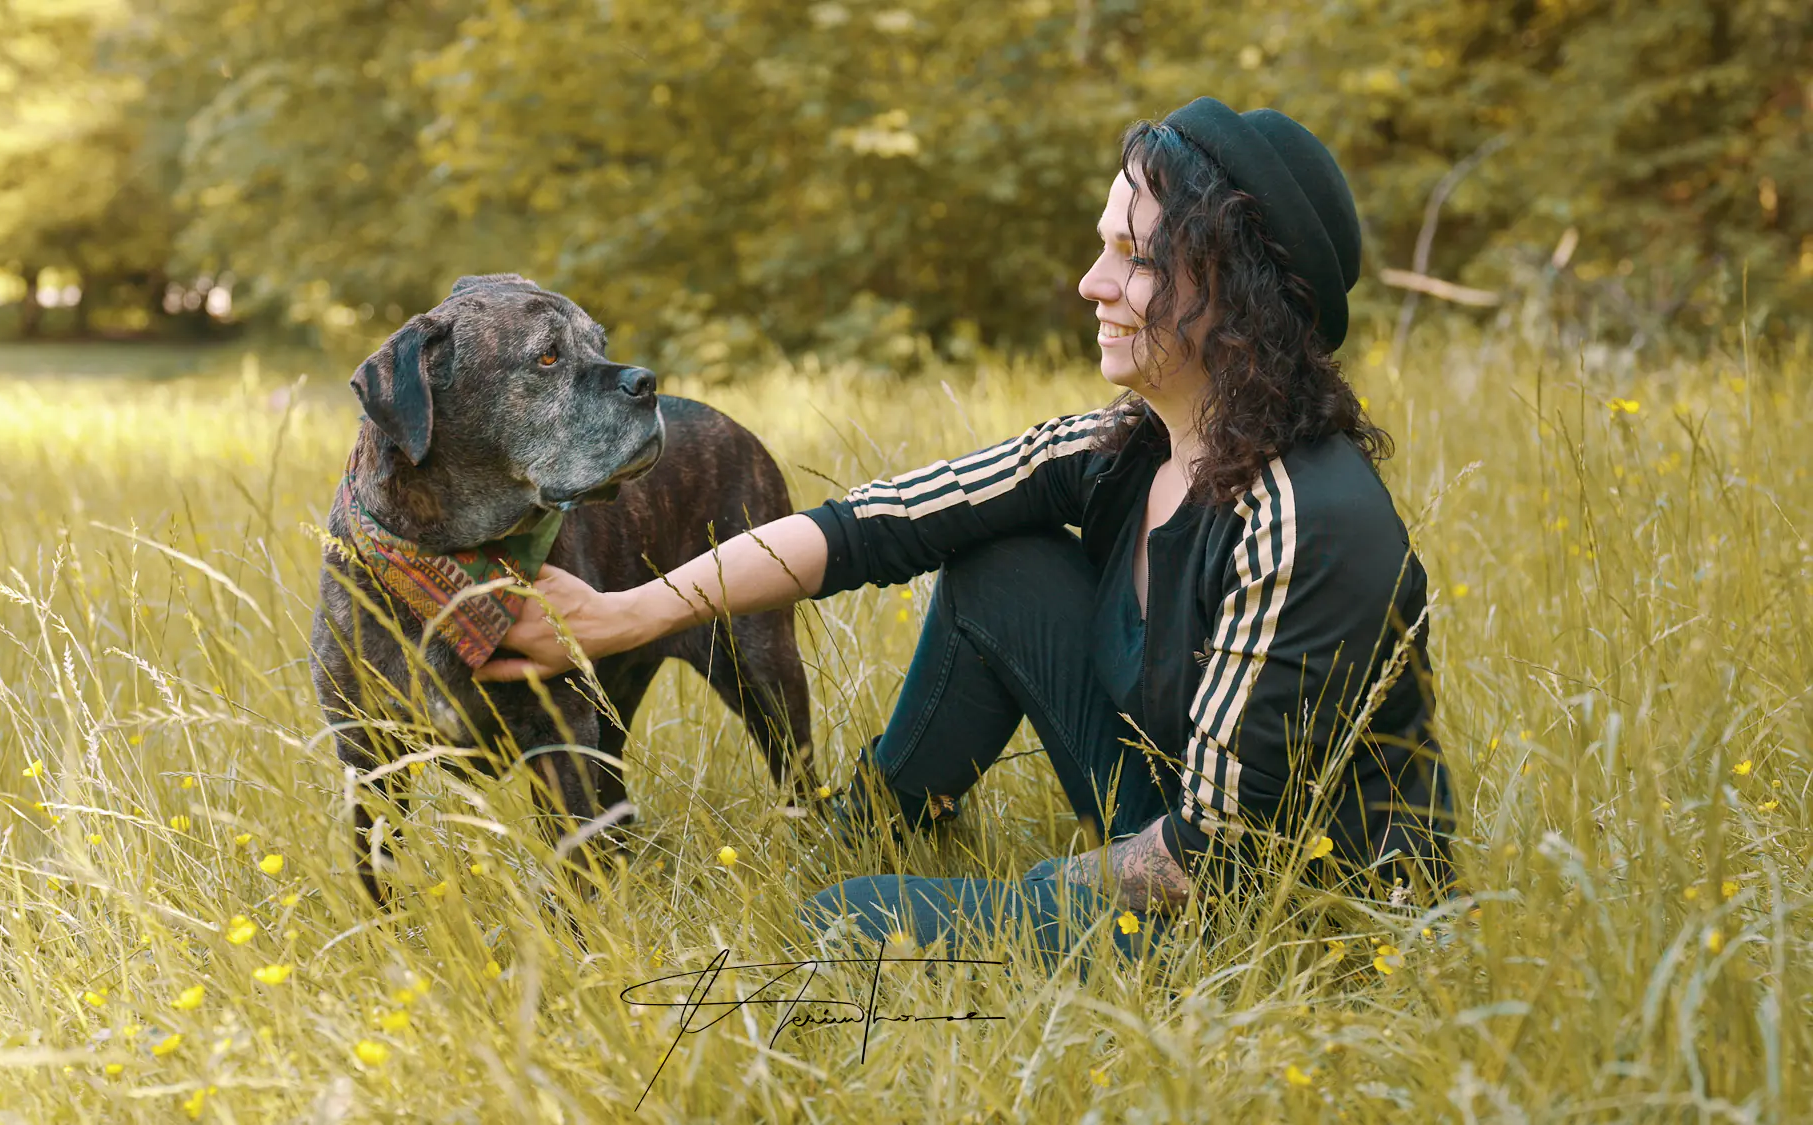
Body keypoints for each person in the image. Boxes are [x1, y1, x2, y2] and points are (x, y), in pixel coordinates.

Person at [475, 96, 1457, 966]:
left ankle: (876, 882)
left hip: (1274, 917)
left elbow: (1215, 858)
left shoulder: (1305, 523)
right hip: (1172, 817)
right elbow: (872, 526)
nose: (1090, 282)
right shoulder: (1126, 450)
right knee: (1003, 562)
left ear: (1236, 296)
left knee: (846, 923)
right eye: (1101, 244)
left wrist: (1025, 897)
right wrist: (622, 615)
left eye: (1133, 258)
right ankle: (869, 829)